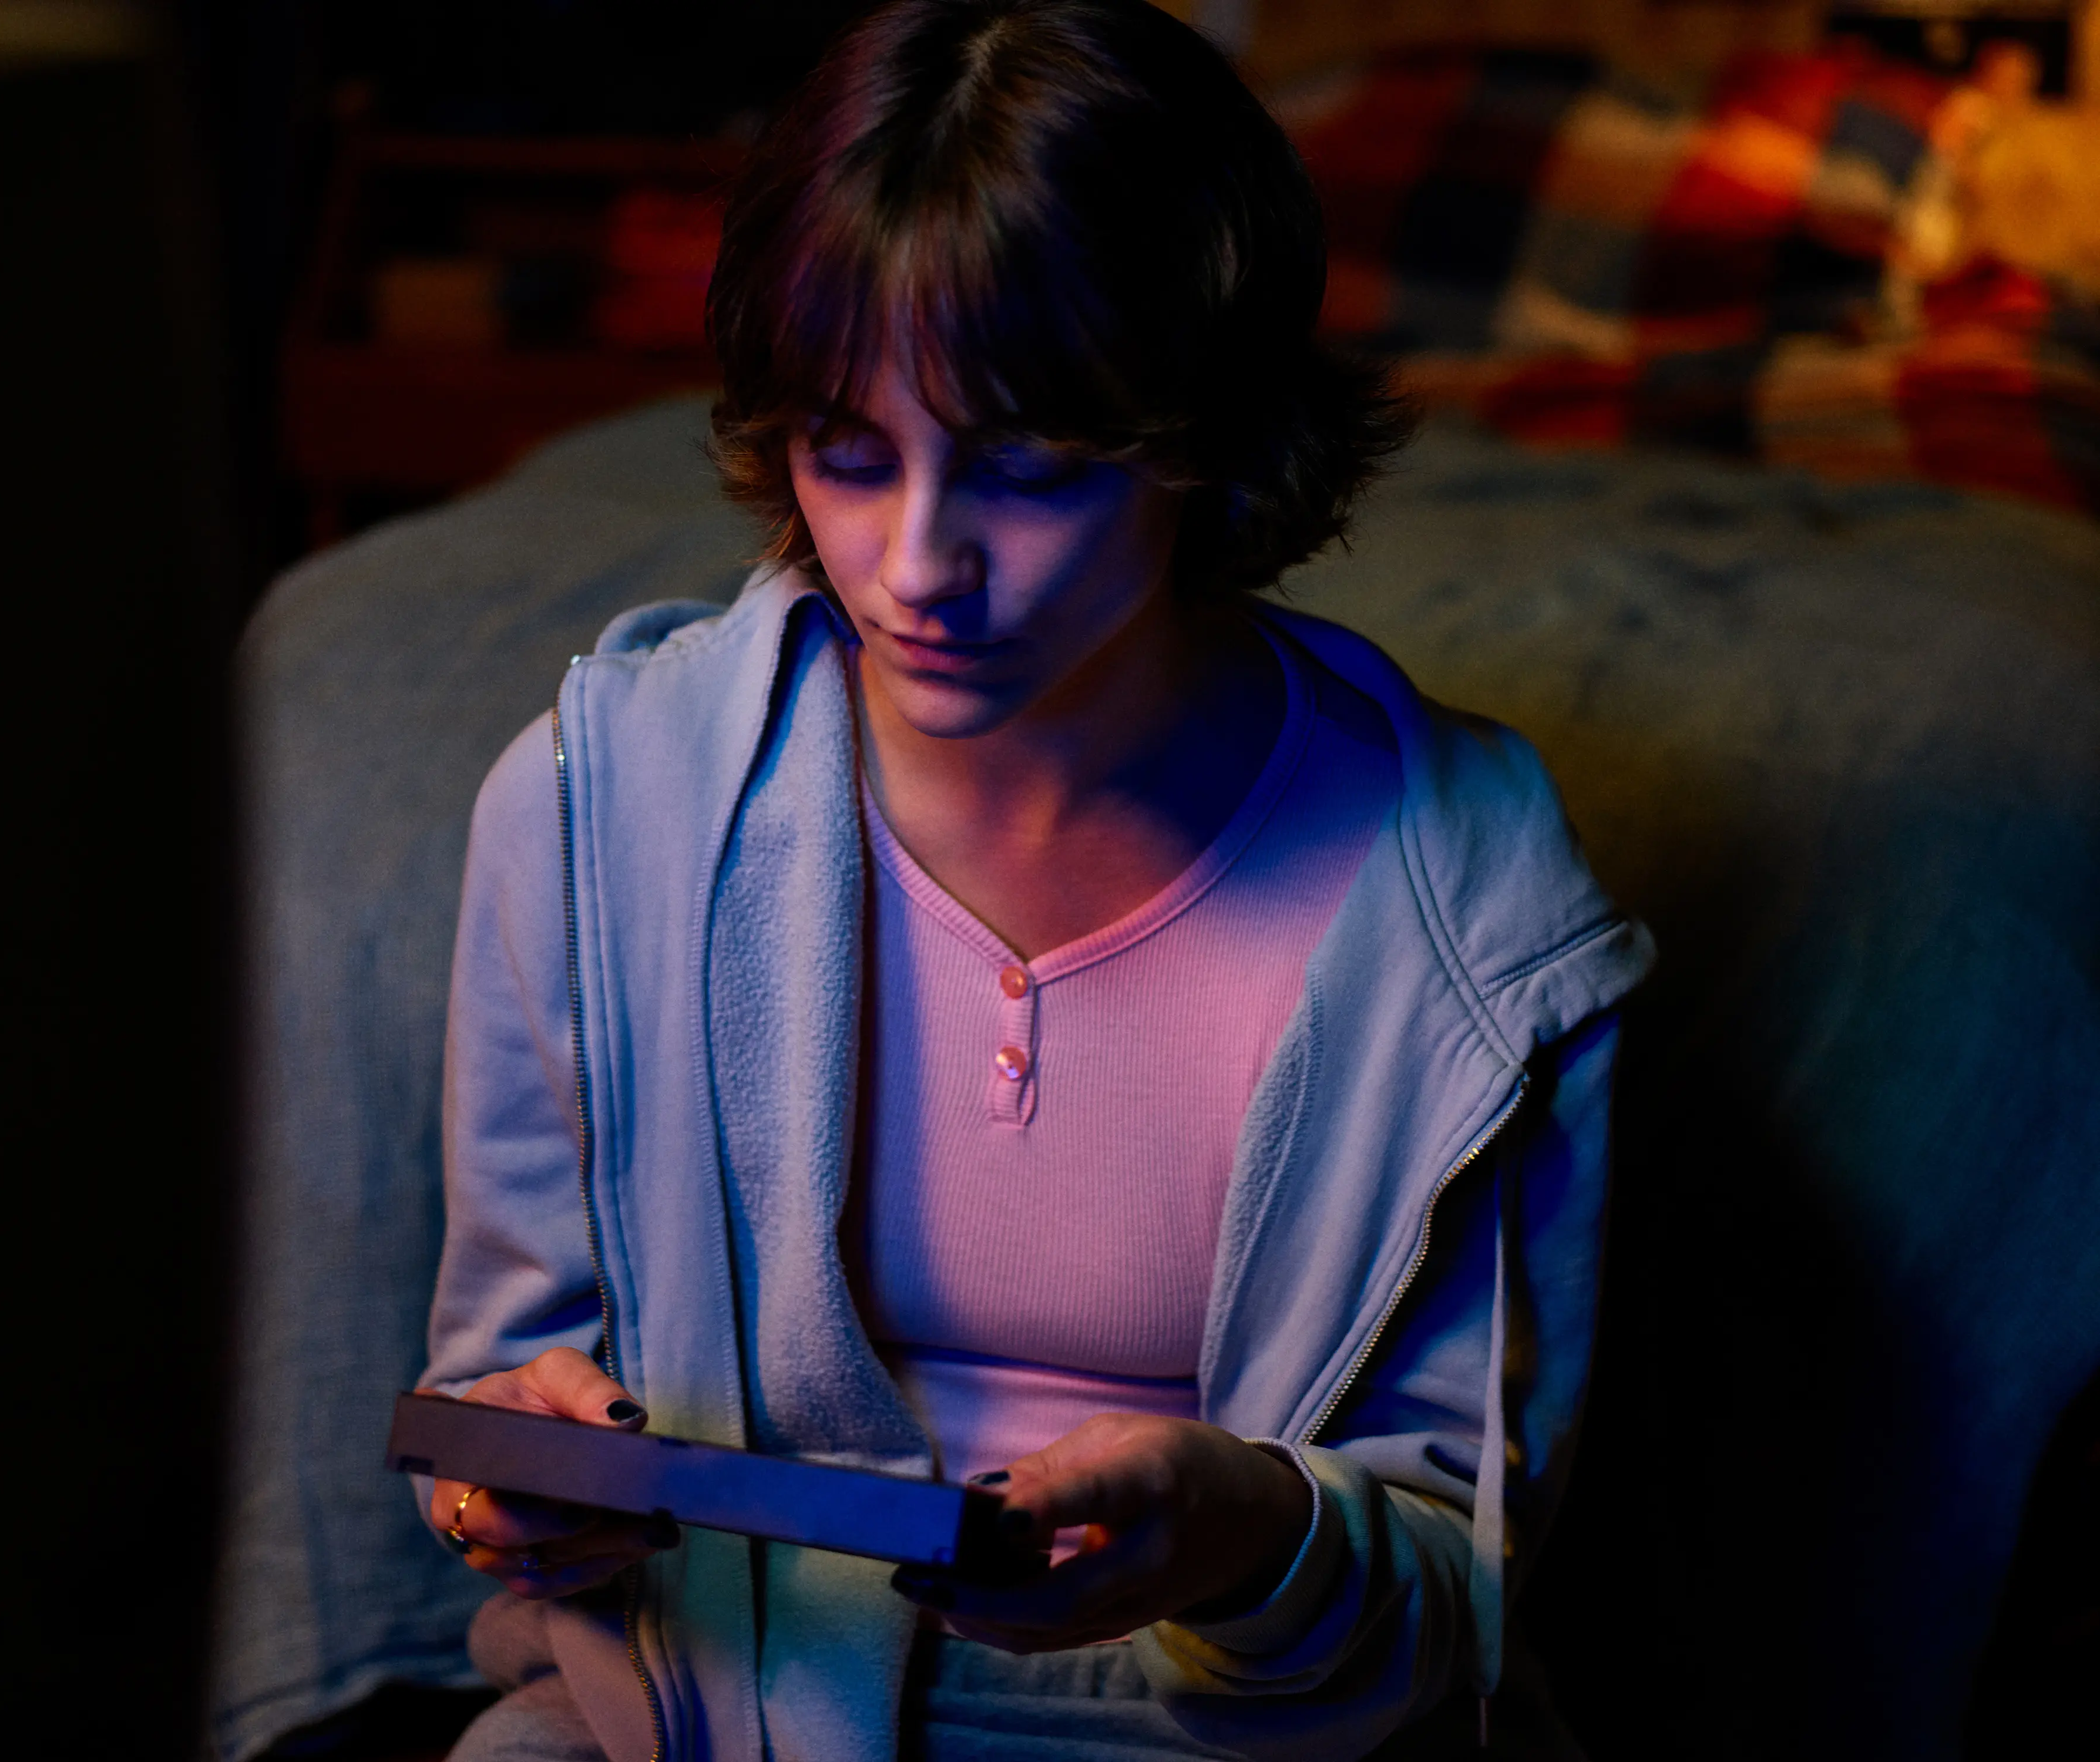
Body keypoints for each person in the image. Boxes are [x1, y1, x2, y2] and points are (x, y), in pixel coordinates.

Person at [417, 3, 1652, 1757]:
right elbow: (492, 1395)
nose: (918, 565)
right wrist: (511, 1485)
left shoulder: (1472, 913)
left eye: (1029, 468)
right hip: (695, 1708)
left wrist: (1252, 1536)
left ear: (1204, 437)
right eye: (848, 450)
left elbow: (1456, 1604)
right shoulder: (592, 811)